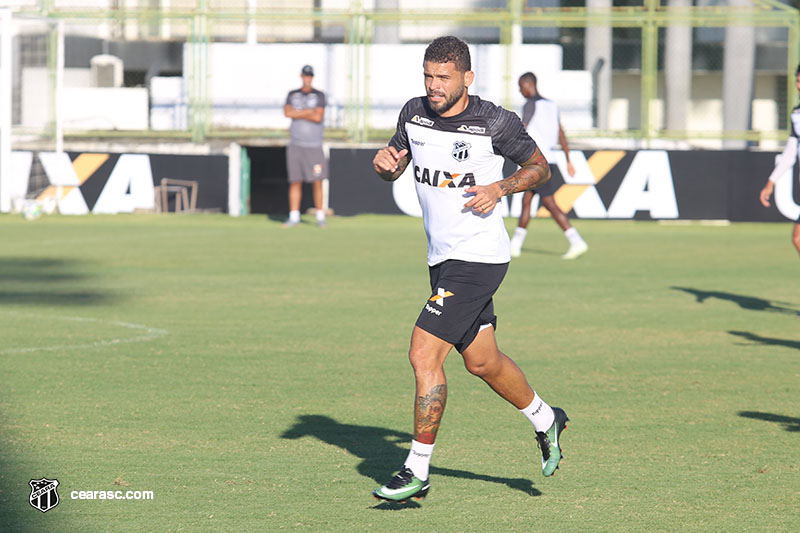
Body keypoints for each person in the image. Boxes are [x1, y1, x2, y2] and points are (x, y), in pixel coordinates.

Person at [371, 36, 569, 503]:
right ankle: (546, 418)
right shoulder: (413, 112)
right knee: (481, 361)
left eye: (443, 77)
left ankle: (416, 470)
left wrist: (500, 187)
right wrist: (384, 167)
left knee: (424, 354)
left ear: (467, 78)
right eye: (428, 76)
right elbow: (395, 166)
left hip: (478, 256)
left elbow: (541, 168)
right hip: (441, 257)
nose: (433, 86)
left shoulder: (494, 121)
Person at [508, 72, 588, 260]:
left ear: (529, 85)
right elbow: (560, 132)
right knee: (526, 201)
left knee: (550, 204)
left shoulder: (530, 104)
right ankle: (515, 245)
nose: (520, 91)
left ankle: (576, 240)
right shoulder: (551, 105)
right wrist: (568, 159)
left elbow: (523, 127)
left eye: (521, 86)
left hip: (536, 162)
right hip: (548, 161)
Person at [759, 65, 800, 258]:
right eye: (798, 81)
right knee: (797, 238)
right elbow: (790, 153)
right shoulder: (796, 114)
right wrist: (771, 182)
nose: (799, 85)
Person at [283, 64, 328, 228]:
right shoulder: (292, 94)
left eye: (310, 76)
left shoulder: (319, 95)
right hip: (296, 145)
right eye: (305, 76)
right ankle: (294, 216)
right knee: (295, 180)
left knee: (317, 180)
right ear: (301, 76)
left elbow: (318, 117)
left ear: (312, 77)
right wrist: (309, 111)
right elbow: (287, 112)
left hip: (314, 146)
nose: (307, 79)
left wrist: (299, 112)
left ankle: (320, 216)